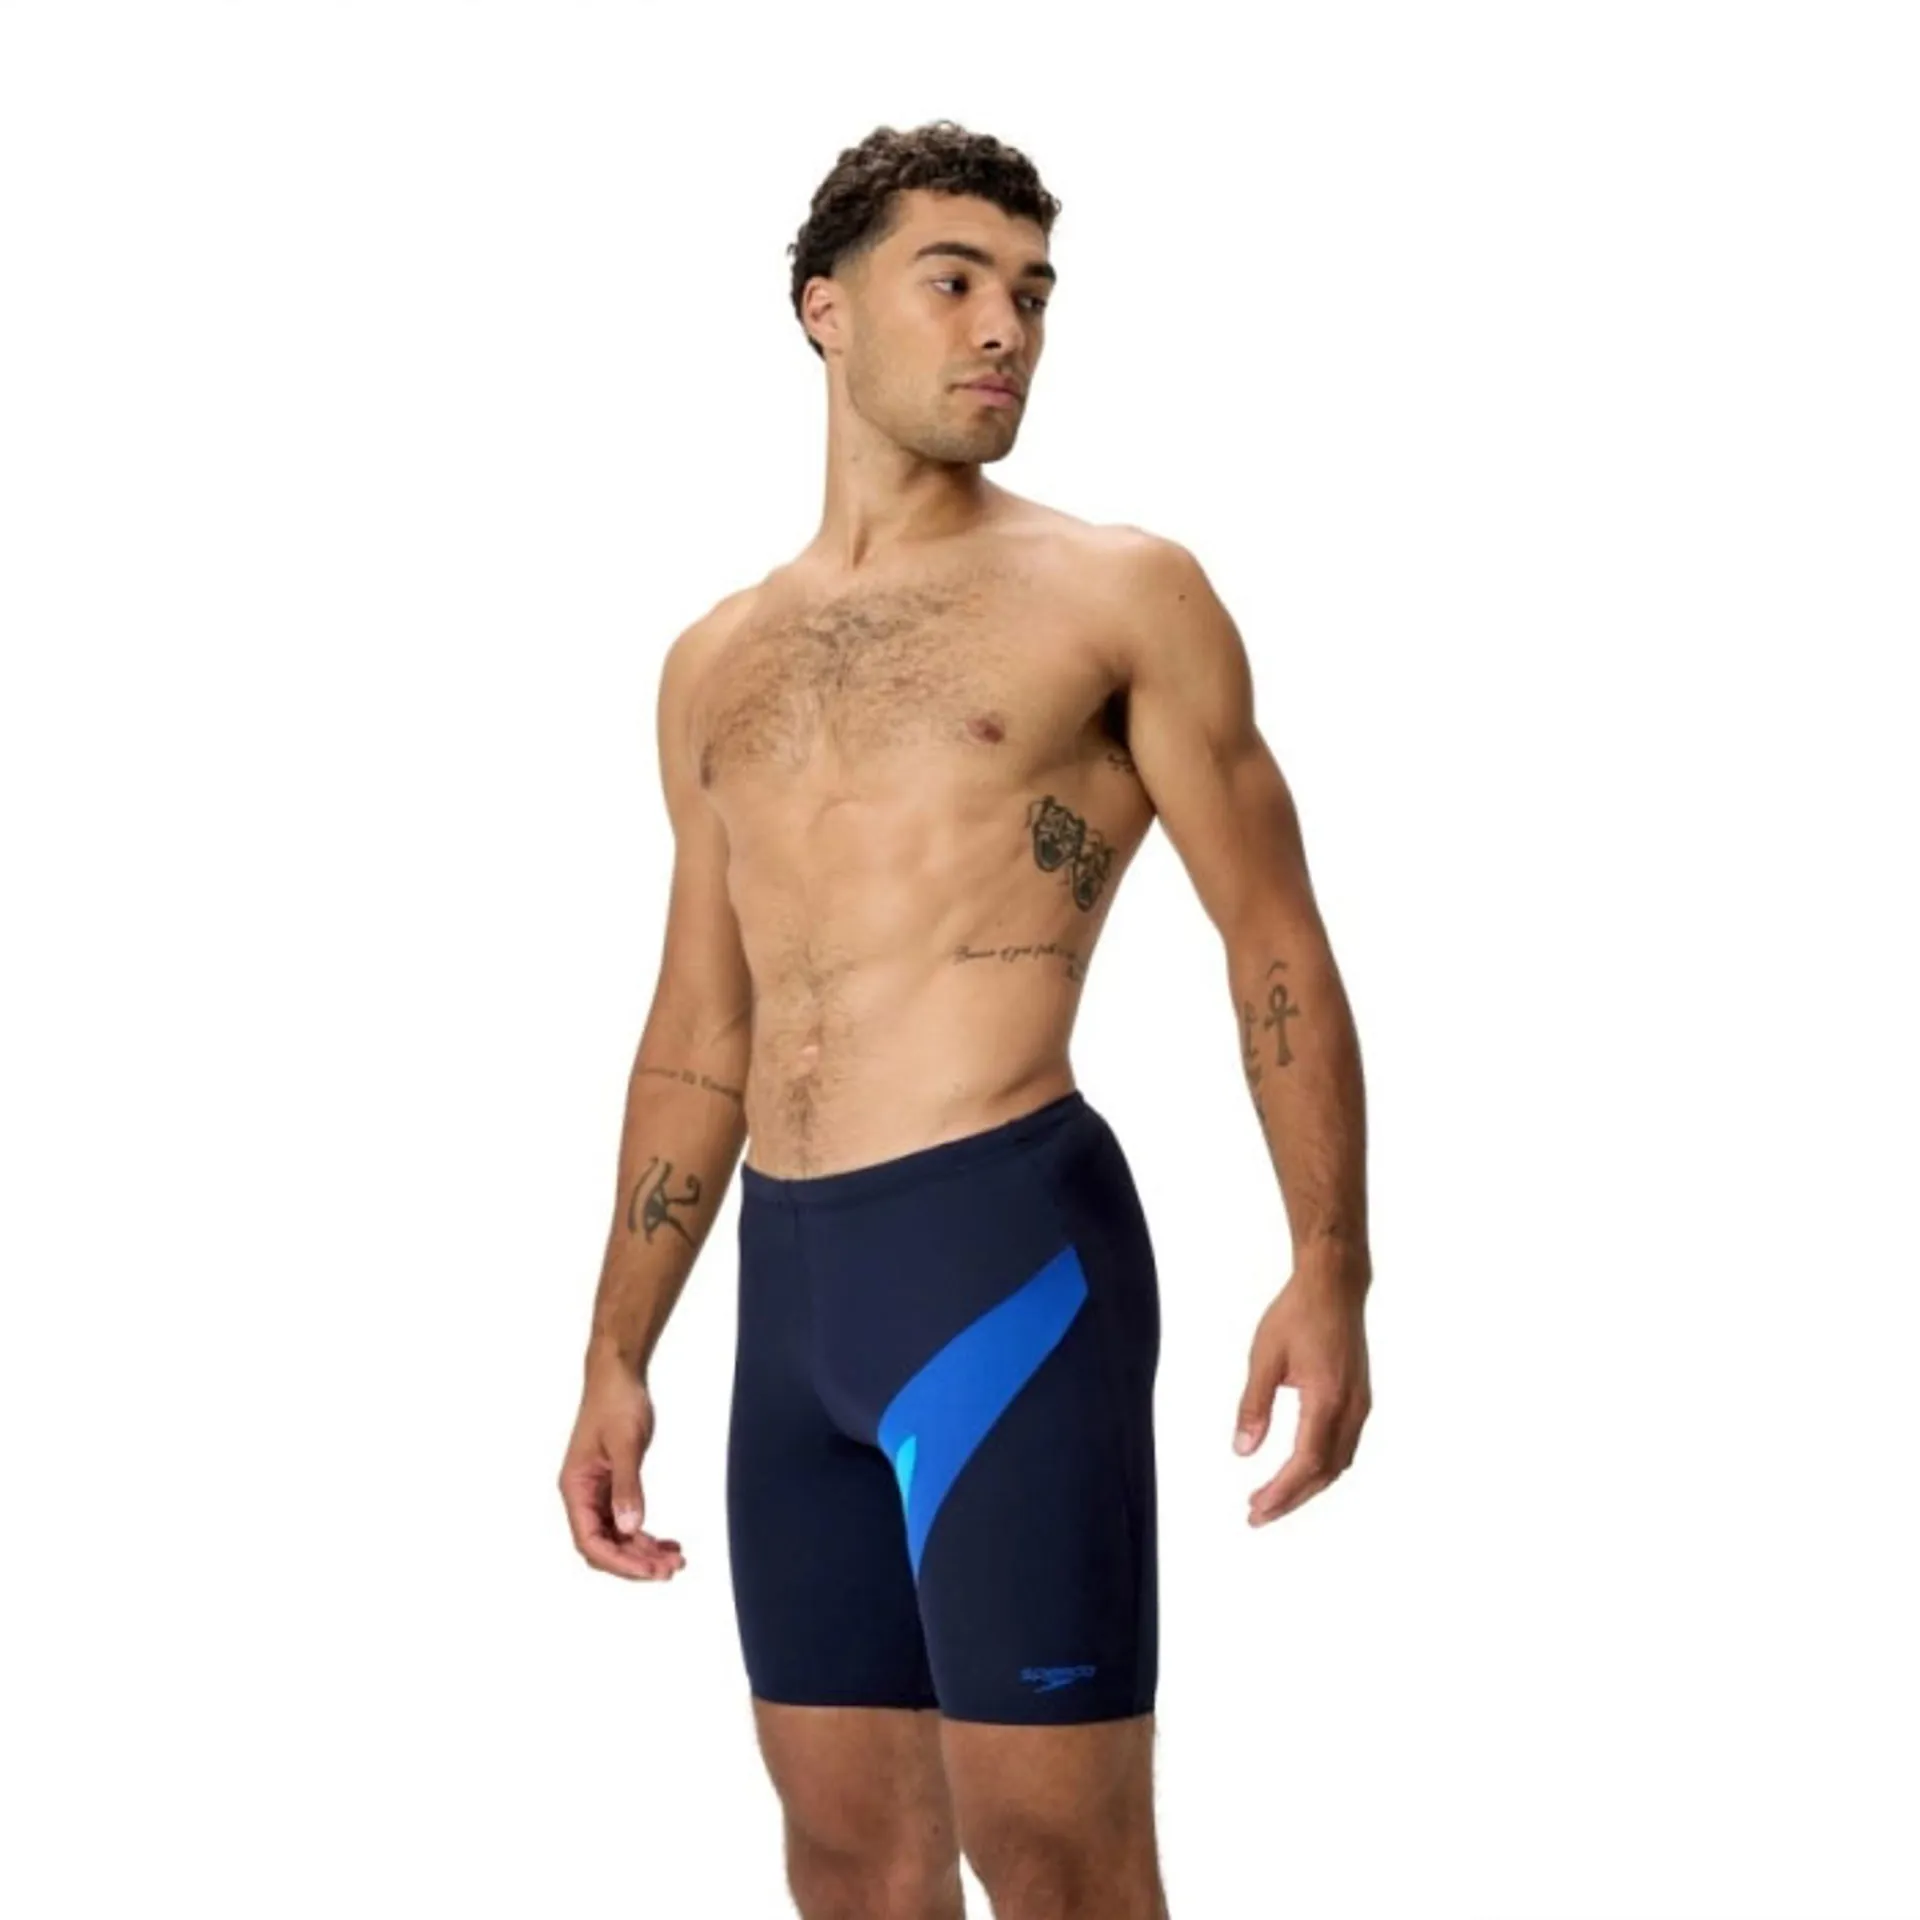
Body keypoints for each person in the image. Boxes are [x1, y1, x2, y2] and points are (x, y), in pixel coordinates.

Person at [558, 119, 1373, 1920]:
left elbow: (1274, 941)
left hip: (1002, 1262)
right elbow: (699, 1026)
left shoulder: (1118, 593)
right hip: (792, 1296)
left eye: (1032, 293)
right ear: (824, 310)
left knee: (1059, 1860)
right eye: (955, 282)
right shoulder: (715, 660)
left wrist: (1331, 1266)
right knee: (848, 1857)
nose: (1006, 327)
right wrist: (618, 1349)